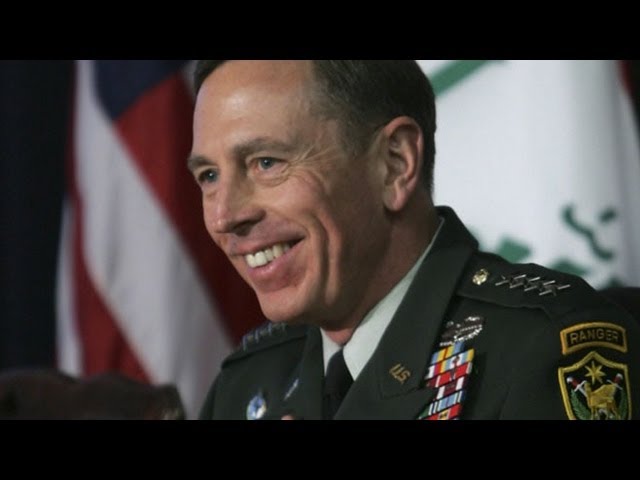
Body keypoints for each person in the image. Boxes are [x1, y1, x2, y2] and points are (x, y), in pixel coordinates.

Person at [189, 60, 639, 420]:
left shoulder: (546, 350)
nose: (226, 215)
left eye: (267, 162)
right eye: (209, 176)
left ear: (395, 163)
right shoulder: (246, 385)